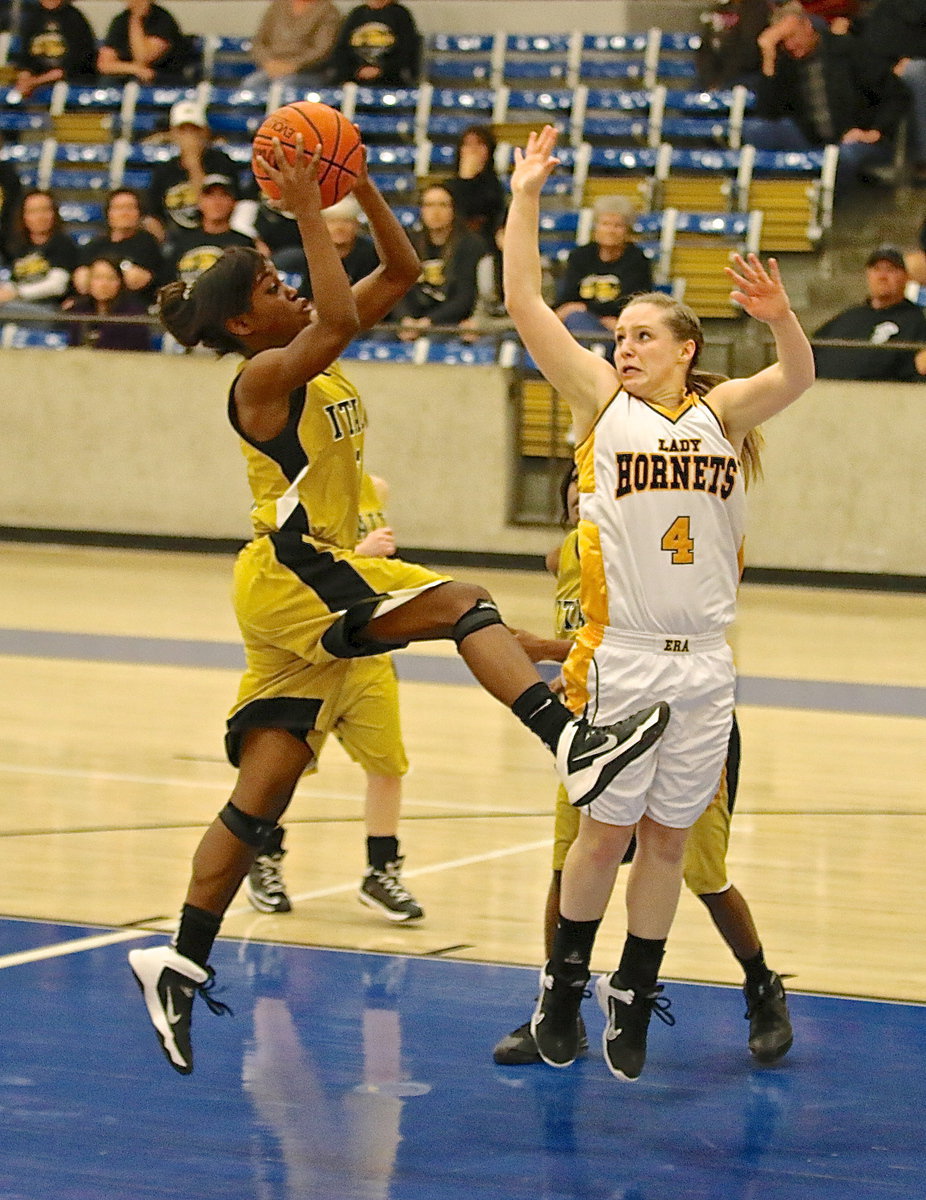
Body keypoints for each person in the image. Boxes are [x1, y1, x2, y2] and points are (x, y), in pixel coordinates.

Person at [127, 135, 669, 1076]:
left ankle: (178, 958)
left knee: (267, 786)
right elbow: (335, 314)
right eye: (268, 289)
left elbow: (405, 270)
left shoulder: (306, 356)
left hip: (315, 578)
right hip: (294, 575)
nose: (288, 289)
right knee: (463, 598)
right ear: (247, 327)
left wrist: (359, 184)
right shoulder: (261, 379)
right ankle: (568, 740)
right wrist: (305, 210)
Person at [503, 125, 814, 1082]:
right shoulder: (604, 403)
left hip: (707, 658)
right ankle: (563, 993)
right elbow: (522, 302)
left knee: (672, 840)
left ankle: (633, 998)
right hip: (625, 651)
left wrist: (779, 317)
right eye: (621, 336)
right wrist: (525, 197)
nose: (624, 346)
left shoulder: (722, 415)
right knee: (602, 832)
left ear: (686, 347)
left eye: (643, 335)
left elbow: (800, 376)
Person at [493, 463, 793, 1068]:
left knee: (704, 875)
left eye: (593, 499)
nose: (584, 509)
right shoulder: (572, 555)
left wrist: (548, 649)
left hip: (686, 722)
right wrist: (567, 678)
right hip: (596, 728)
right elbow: (590, 642)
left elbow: (650, 632)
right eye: (576, 503)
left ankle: (763, 986)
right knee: (567, 868)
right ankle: (561, 1007)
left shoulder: (658, 541)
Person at [246, 472, 424, 922]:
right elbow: (288, 567)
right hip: (311, 655)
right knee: (285, 769)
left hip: (368, 655)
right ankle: (264, 859)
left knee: (387, 766)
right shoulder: (293, 497)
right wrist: (358, 557)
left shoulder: (373, 486)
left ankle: (380, 872)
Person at [741, 3, 909, 193]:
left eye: (793, 36)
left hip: (856, 139)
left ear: (807, 26)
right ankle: (772, 203)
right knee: (755, 130)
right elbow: (767, 115)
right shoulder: (785, 64)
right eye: (783, 41)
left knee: (844, 156)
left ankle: (828, 208)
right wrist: (769, 58)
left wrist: (875, 131)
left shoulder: (847, 49)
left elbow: (897, 95)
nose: (790, 45)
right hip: (811, 139)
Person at [553, 195, 653, 358]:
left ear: (627, 230)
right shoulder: (580, 256)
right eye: (605, 224)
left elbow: (632, 305)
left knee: (577, 318)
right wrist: (599, 315)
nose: (610, 230)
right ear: (596, 227)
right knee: (574, 319)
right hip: (581, 324)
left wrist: (587, 308)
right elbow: (566, 302)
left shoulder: (637, 260)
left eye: (617, 225)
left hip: (619, 331)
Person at [812, 244, 926, 380]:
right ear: (868, 274)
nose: (882, 276)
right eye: (876, 269)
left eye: (891, 269)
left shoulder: (917, 322)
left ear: (906, 277)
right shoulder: (847, 318)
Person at [393, 183, 485, 338]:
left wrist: (429, 321)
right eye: (429, 205)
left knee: (435, 339)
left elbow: (465, 296)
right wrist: (405, 319)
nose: (435, 212)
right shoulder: (407, 242)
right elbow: (396, 289)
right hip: (410, 321)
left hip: (450, 322)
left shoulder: (471, 244)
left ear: (453, 210)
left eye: (443, 205)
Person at [145, 101, 242, 243]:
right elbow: (153, 211)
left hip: (219, 235)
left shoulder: (221, 162)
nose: (189, 136)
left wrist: (194, 166)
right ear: (173, 134)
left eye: (195, 130)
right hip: (176, 239)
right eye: (182, 131)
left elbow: (224, 204)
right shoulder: (165, 170)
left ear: (206, 132)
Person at [856, 0, 926, 183]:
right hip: (884, 59)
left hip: (916, 62)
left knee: (915, 72)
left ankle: (922, 160)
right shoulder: (883, 7)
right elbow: (873, 37)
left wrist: (910, 56)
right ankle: (868, 150)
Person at [72, 188, 164, 307]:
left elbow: (137, 280)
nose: (124, 213)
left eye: (130, 208)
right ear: (108, 213)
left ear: (139, 213)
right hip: (94, 310)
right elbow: (82, 282)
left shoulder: (147, 243)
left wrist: (97, 277)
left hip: (135, 311)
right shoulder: (95, 245)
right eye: (118, 208)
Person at [0, 189, 78, 321]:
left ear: (54, 214)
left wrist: (17, 293)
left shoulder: (63, 244)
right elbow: (14, 281)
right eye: (33, 212)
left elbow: (56, 286)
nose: (40, 216)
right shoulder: (19, 246)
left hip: (52, 309)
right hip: (18, 305)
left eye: (45, 210)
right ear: (24, 216)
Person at [167, 175, 256, 285]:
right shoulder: (183, 241)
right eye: (210, 195)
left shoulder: (244, 243)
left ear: (233, 203)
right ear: (199, 202)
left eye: (223, 195)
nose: (216, 202)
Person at [243, 0, 341, 90]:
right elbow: (258, 42)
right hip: (271, 67)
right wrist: (268, 62)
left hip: (307, 73)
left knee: (282, 86)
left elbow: (322, 50)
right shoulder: (278, 6)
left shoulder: (328, 11)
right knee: (251, 83)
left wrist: (292, 66)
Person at [10, 0, 97, 100]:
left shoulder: (75, 18)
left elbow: (77, 62)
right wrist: (25, 78)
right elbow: (25, 57)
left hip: (70, 83)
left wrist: (35, 82)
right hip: (35, 82)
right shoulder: (32, 18)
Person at [67, 255, 152, 351]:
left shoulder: (134, 314)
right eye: (98, 278)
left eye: (110, 278)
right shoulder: (79, 310)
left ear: (120, 282)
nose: (103, 284)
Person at [97, 0, 190, 86]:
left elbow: (142, 58)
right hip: (130, 77)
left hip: (163, 79)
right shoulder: (120, 21)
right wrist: (135, 69)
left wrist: (136, 20)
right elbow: (104, 65)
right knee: (107, 83)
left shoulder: (163, 20)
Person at [329, 0, 421, 87]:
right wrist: (354, 71)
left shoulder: (401, 15)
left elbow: (407, 52)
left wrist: (382, 70)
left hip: (391, 80)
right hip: (355, 80)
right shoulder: (356, 14)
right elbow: (341, 51)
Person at [445, 125, 507, 250]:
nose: (473, 150)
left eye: (480, 144)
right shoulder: (448, 188)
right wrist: (465, 178)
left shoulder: (495, 187)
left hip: (487, 246)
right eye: (467, 144)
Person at [696, 0, 772, 91]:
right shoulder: (719, 9)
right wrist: (709, 80)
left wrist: (721, 82)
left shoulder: (758, 9)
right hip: (712, 78)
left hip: (745, 77)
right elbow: (706, 48)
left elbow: (749, 52)